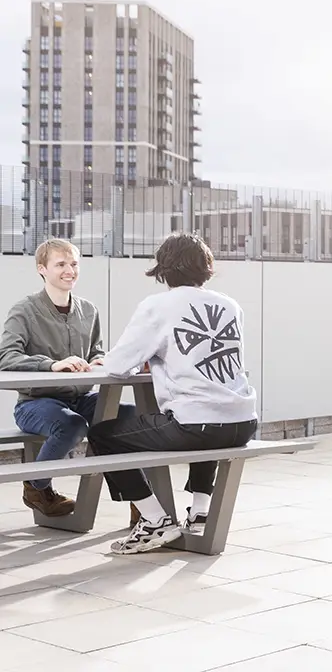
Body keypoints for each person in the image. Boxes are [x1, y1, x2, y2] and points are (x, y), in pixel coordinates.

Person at [90, 233, 259, 555]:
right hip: (243, 421)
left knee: (103, 435)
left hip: (197, 425)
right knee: (207, 407)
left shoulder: (158, 305)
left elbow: (118, 365)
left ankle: (155, 520)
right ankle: (200, 511)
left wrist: (119, 360)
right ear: (206, 267)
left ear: (163, 267)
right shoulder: (229, 305)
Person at [0, 238, 124, 517]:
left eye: (74, 263)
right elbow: (6, 357)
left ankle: (140, 500)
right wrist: (51, 365)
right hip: (35, 403)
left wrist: (98, 361)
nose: (70, 270)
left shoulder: (89, 310)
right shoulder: (24, 310)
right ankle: (37, 487)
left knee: (124, 417)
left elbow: (96, 350)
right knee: (72, 425)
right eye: (60, 264)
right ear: (42, 269)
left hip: (81, 397)